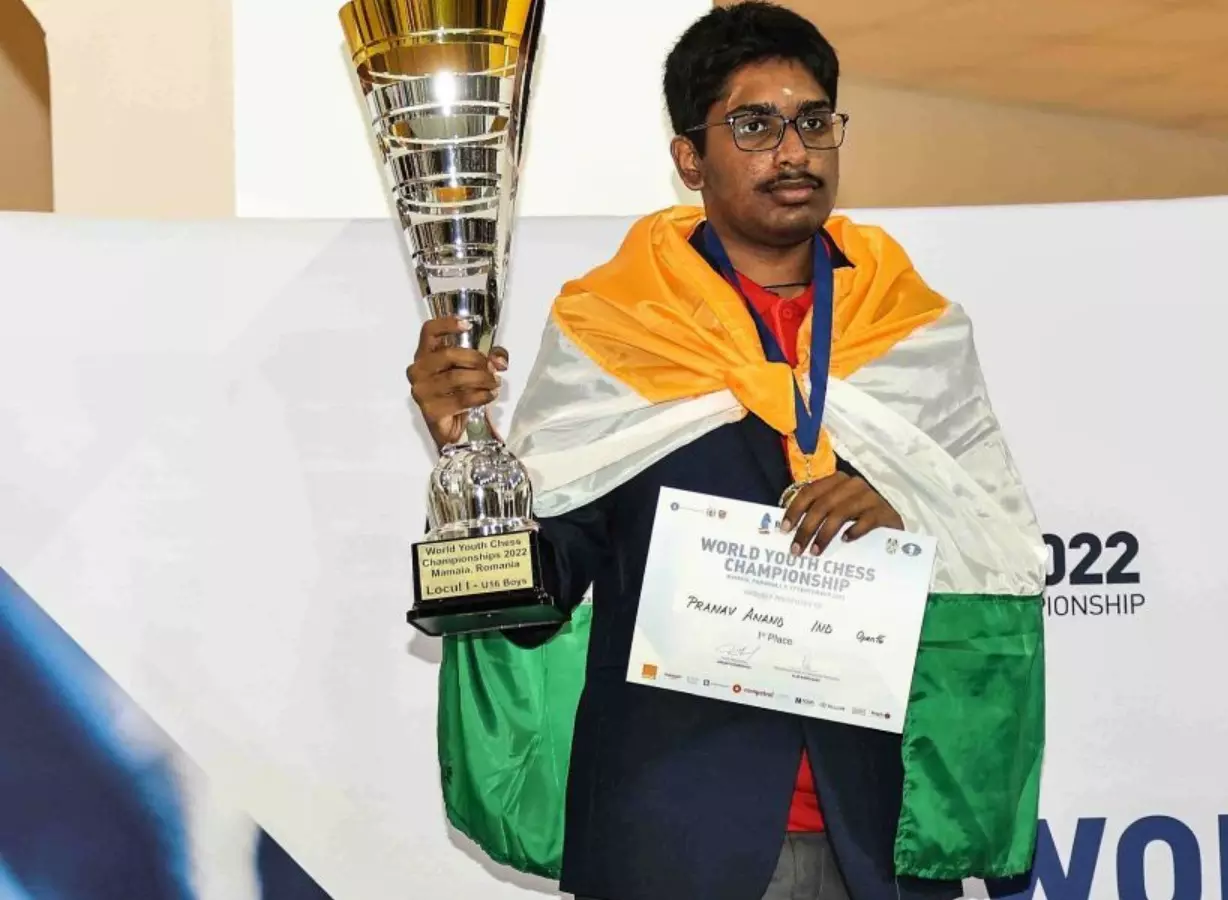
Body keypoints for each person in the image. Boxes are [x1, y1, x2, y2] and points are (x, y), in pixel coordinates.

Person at [405, 3, 1048, 899]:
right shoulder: (616, 332)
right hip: (669, 838)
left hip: (878, 835)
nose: (794, 150)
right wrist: (465, 462)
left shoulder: (912, 331)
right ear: (689, 158)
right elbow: (534, 604)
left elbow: (995, 555)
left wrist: (906, 517)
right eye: (754, 126)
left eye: (814, 121)